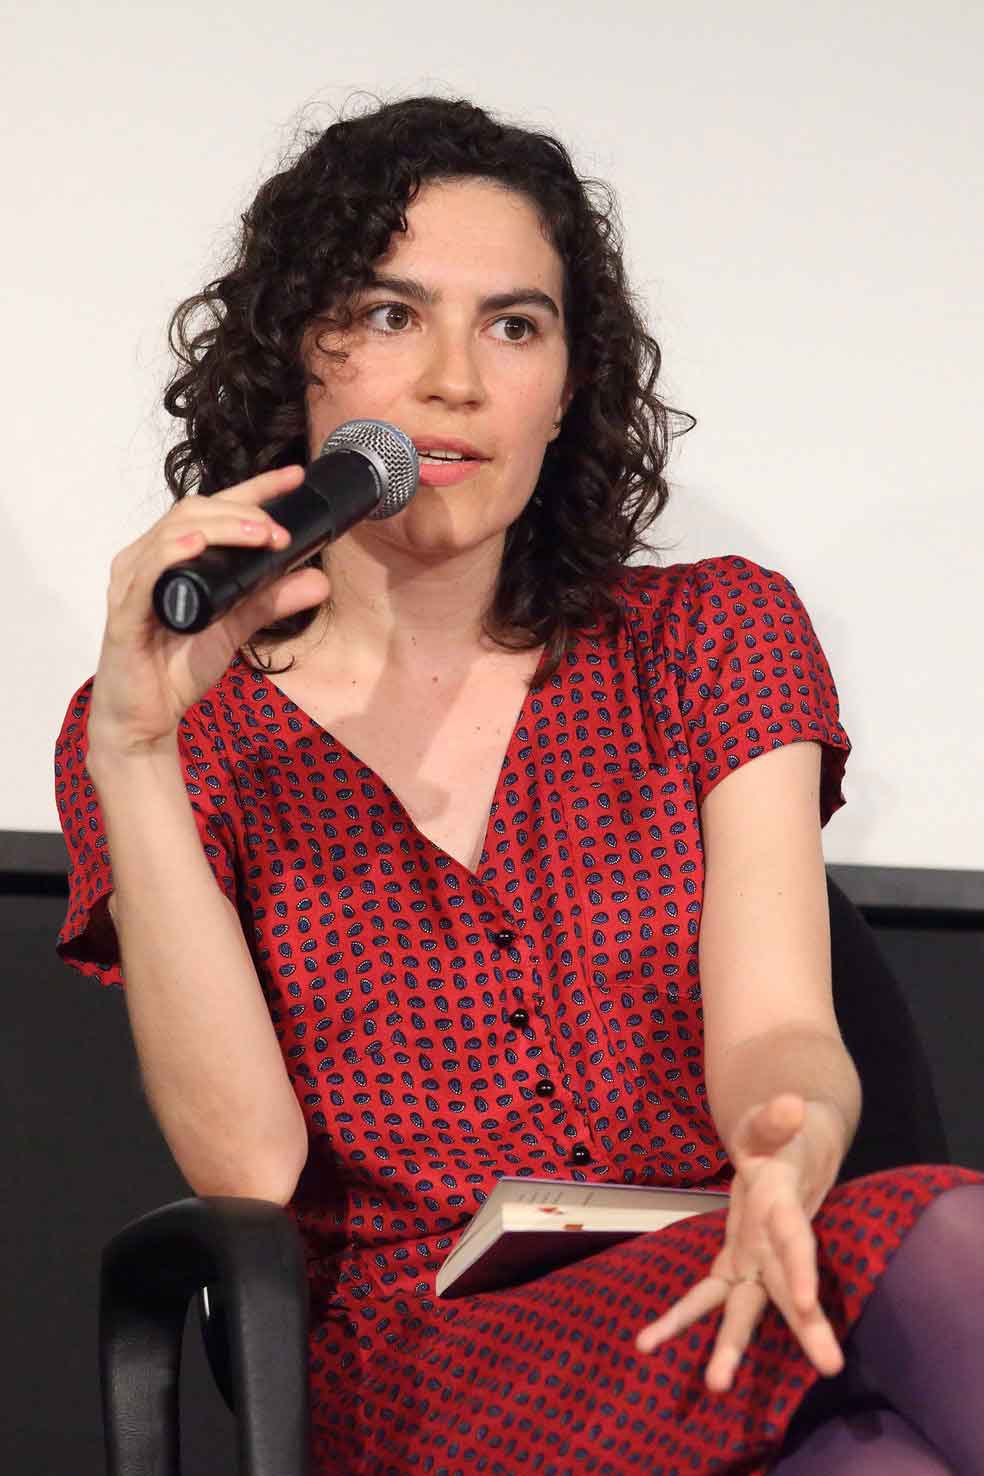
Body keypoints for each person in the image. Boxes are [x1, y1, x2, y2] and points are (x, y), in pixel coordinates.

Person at [54, 95, 983, 1476]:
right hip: (421, 1356)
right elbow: (247, 1171)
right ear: (294, 357)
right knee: (947, 1253)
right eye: (389, 314)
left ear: (568, 385)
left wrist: (793, 1141)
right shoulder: (179, 729)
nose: (453, 380)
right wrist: (134, 751)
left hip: (719, 1271)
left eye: (513, 325)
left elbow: (781, 1031)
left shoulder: (711, 635)